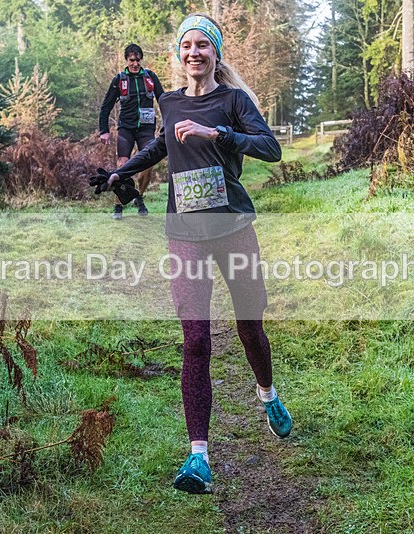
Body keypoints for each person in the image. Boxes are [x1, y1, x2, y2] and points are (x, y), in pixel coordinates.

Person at [96, 14, 292, 494]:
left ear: (216, 53)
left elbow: (271, 149)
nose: (194, 53)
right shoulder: (169, 100)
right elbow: (161, 146)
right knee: (195, 340)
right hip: (184, 235)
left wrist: (218, 135)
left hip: (233, 229)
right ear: (178, 54)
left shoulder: (233, 101)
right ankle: (198, 457)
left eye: (203, 45)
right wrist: (121, 174)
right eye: (187, 46)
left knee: (250, 325)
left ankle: (267, 395)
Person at [98, 43, 164, 219]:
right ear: (126, 60)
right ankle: (118, 205)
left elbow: (163, 100)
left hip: (146, 128)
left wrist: (169, 123)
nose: (135, 63)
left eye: (137, 60)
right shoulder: (119, 80)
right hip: (126, 128)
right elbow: (106, 107)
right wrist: (104, 130)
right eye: (131, 60)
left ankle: (138, 196)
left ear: (141, 59)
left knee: (149, 163)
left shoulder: (150, 77)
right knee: (123, 165)